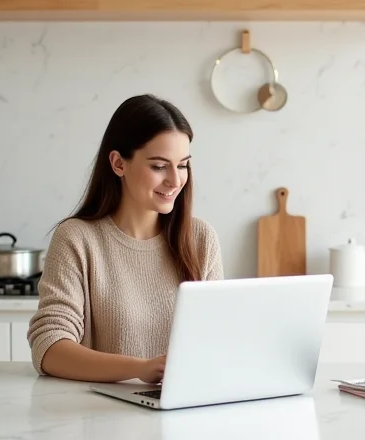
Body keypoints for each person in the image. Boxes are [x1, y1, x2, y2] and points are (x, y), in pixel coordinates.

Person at [27, 94, 223, 383]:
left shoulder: (200, 238)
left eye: (182, 165)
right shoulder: (77, 239)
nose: (175, 180)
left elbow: (216, 341)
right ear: (118, 163)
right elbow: (49, 348)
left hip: (185, 413)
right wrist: (139, 369)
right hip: (99, 417)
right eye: (158, 166)